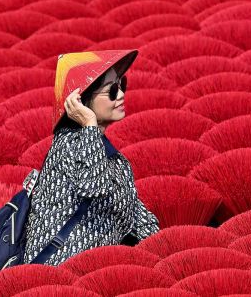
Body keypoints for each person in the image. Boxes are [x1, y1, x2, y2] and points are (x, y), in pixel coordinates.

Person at [21, 49, 160, 266]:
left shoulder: (110, 155)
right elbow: (94, 186)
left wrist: (162, 253)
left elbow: (135, 215)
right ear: (83, 101)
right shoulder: (67, 145)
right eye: (112, 90)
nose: (121, 94)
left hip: (98, 269)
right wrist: (89, 123)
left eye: (122, 84)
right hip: (59, 274)